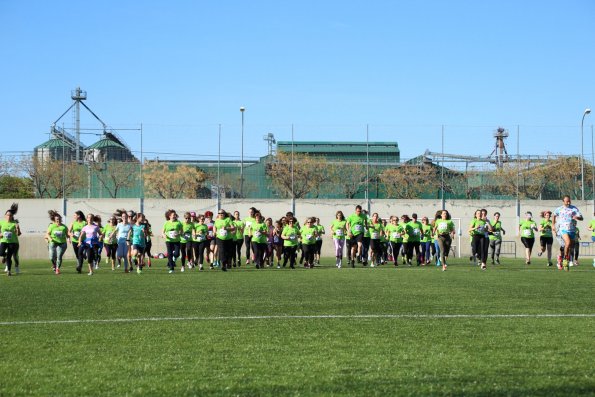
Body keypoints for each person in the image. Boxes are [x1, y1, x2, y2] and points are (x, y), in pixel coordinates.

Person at [552, 195, 583, 271]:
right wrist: (553, 225)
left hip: (572, 230)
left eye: (569, 201)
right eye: (566, 201)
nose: (568, 202)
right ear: (563, 201)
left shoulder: (574, 208)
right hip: (563, 229)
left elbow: (582, 218)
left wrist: (577, 217)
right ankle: (565, 259)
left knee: (570, 247)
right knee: (567, 243)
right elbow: (553, 215)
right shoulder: (559, 209)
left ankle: (562, 258)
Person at [45, 210, 68, 274]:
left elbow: (67, 234)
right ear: (54, 220)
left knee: (59, 256)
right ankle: (54, 264)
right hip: (53, 243)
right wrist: (49, 239)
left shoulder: (64, 227)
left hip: (62, 243)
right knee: (52, 257)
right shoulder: (52, 226)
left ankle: (57, 269)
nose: (58, 220)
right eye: (57, 219)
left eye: (59, 219)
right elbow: (47, 234)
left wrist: (69, 237)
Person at [0, 203, 21, 276]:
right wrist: (1, 234)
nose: (9, 216)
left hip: (13, 242)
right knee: (1, 253)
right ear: (5, 216)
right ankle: (4, 256)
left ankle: (9, 271)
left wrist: (17, 229)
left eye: (10, 215)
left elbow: (18, 234)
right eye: (7, 215)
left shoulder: (15, 223)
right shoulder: (1, 222)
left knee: (9, 256)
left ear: (12, 216)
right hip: (3, 241)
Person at [162, 209, 183, 273]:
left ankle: (173, 260)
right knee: (169, 254)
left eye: (175, 215)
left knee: (177, 254)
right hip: (169, 240)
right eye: (173, 215)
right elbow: (163, 232)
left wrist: (178, 234)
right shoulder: (166, 223)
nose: (174, 216)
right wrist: (164, 235)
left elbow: (182, 231)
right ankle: (171, 268)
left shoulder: (178, 222)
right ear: (169, 216)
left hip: (177, 241)